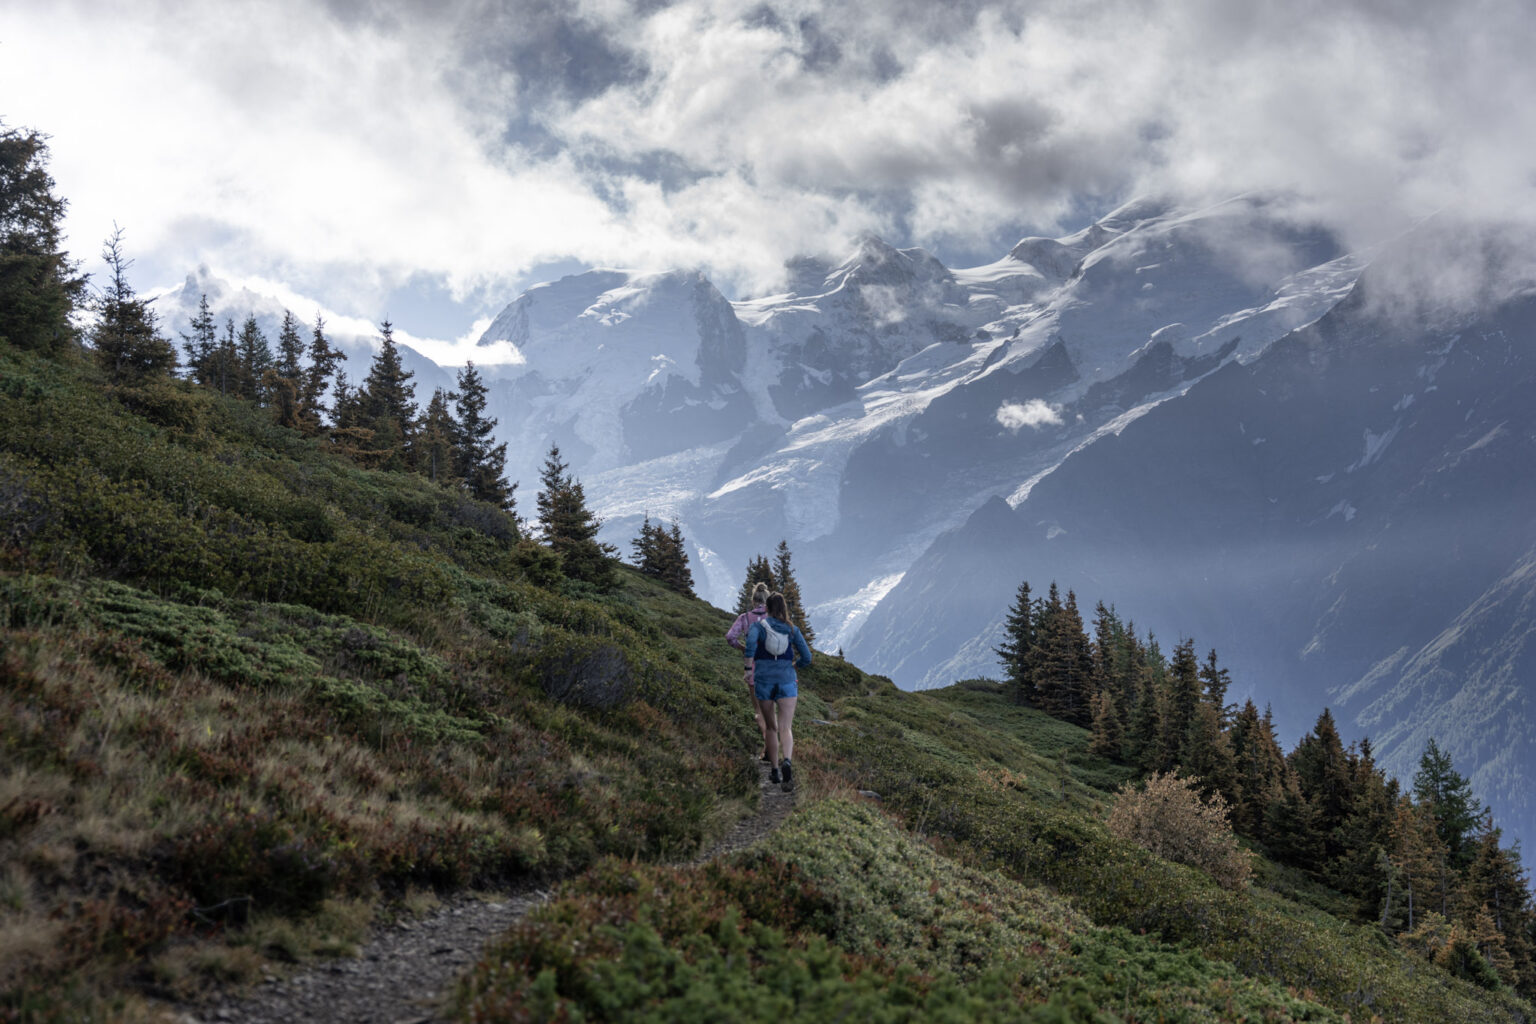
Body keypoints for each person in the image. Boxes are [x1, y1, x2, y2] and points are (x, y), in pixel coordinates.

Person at [742, 592, 812, 790]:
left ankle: (774, 771)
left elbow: (749, 646)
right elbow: (807, 657)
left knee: (771, 728)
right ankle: (787, 761)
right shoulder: (792, 630)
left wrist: (748, 669)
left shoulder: (758, 627)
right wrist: (795, 665)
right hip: (787, 681)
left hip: (764, 681)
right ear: (784, 608)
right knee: (785, 728)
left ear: (767, 609)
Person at [726, 583, 772, 761]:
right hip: (773, 668)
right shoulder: (774, 618)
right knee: (771, 710)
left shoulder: (744, 618)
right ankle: (771, 747)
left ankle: (767, 744)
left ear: (753, 600)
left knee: (759, 711)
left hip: (753, 669)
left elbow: (730, 636)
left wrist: (742, 648)